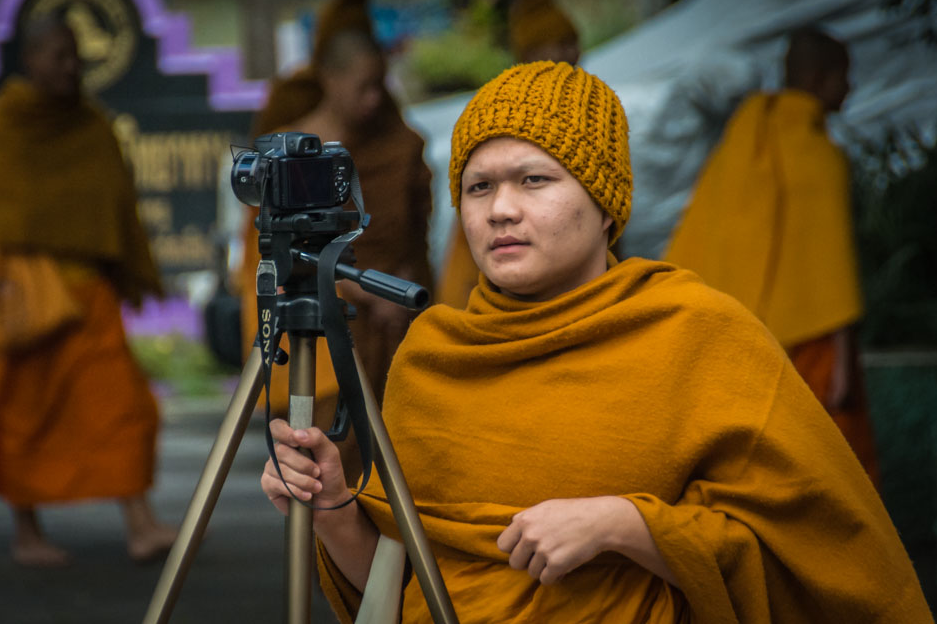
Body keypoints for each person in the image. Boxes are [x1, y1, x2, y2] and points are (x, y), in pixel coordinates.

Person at [260, 61, 931, 623]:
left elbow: (814, 555)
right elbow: (398, 588)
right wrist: (332, 510)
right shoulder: (435, 353)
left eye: (534, 180)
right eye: (478, 186)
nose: (500, 209)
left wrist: (628, 527)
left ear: (606, 200)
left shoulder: (696, 333)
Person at [0, 17, 175, 566]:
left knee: (124, 408)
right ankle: (26, 533)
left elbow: (116, 204)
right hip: (31, 298)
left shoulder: (91, 123)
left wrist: (128, 268)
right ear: (30, 61)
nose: (70, 66)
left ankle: (140, 523)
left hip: (89, 296)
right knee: (22, 417)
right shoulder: (9, 122)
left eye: (75, 55)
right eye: (58, 55)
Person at [663, 28, 879, 484]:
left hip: (735, 334)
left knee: (752, 467)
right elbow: (830, 266)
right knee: (829, 471)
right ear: (821, 80)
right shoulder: (819, 155)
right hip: (814, 340)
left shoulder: (741, 140)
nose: (851, 89)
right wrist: (841, 364)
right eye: (846, 77)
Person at [237, 0, 433, 423]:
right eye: (363, 87)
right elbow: (271, 248)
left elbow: (415, 234)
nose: (375, 99)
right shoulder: (287, 154)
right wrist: (358, 288)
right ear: (329, 78)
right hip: (328, 318)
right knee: (324, 450)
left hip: (395, 315)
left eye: (380, 85)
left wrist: (404, 280)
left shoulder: (401, 143)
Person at [435, 0, 580, 308]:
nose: (572, 54)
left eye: (573, 45)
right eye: (560, 46)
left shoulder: (586, 120)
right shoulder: (499, 118)